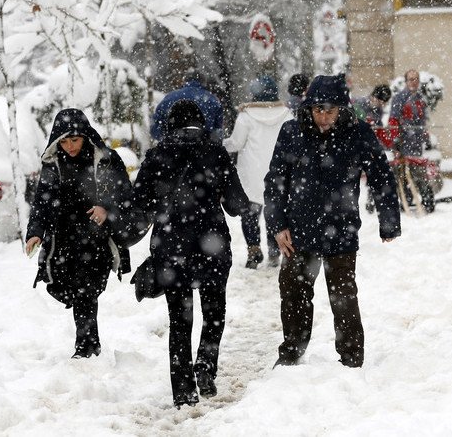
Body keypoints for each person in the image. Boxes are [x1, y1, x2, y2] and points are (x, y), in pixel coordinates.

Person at [264, 74, 400, 368]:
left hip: (341, 228)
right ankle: (291, 354)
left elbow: (381, 176)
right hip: (298, 230)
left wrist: (389, 220)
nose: (323, 117)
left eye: (330, 111)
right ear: (308, 108)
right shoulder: (292, 132)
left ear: (342, 109)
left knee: (344, 297)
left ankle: (352, 359)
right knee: (293, 294)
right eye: (317, 110)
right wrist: (277, 224)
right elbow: (275, 181)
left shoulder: (358, 133)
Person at [134, 100, 250, 409]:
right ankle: (205, 364)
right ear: (202, 123)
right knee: (214, 313)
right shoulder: (217, 153)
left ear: (170, 124)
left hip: (171, 250)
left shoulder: (156, 156)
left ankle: (183, 392)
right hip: (211, 247)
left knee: (179, 322)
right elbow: (236, 205)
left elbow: (139, 204)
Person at [25, 108, 140, 359]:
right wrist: (35, 232)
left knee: (85, 291)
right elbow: (42, 201)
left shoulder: (106, 159)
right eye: (64, 141)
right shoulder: (53, 163)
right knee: (60, 288)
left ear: (85, 136)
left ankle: (86, 346)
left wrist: (106, 209)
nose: (69, 146)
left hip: (96, 237)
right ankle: (88, 342)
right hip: (63, 237)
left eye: (74, 140)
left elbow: (124, 196)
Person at [223, 75, 293, 269]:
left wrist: (221, 143)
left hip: (251, 174)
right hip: (277, 174)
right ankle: (273, 250)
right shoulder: (287, 114)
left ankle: (254, 248)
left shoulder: (246, 116)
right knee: (274, 213)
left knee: (250, 215)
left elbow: (236, 143)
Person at [390, 69, 435, 212]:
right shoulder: (399, 98)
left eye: (416, 79)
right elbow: (393, 120)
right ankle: (405, 200)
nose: (414, 82)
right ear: (406, 81)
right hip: (403, 143)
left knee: (418, 173)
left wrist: (425, 136)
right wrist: (396, 138)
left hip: (416, 143)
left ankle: (425, 200)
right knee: (404, 174)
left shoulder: (420, 98)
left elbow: (422, 121)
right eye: (411, 79)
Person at [150, 72, 224, 143]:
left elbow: (155, 129)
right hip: (203, 150)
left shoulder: (169, 98)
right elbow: (217, 132)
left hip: (173, 149)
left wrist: (166, 138)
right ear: (203, 83)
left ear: (185, 81)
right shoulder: (212, 100)